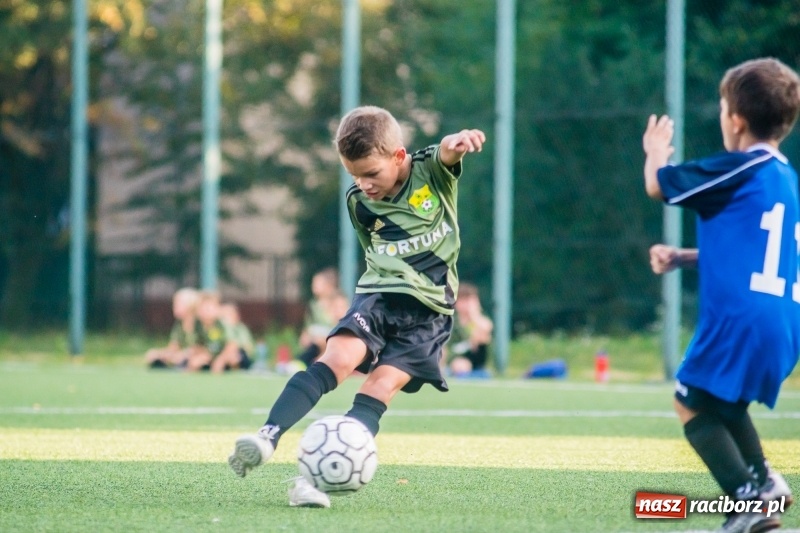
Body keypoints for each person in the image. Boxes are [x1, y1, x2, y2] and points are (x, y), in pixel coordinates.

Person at [228, 105, 485, 508]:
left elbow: (445, 155)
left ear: (399, 156)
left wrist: (456, 145)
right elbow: (375, 247)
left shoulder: (428, 172)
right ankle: (267, 437)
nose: (363, 184)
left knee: (380, 386)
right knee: (336, 359)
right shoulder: (359, 203)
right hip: (380, 295)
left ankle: (313, 481)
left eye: (371, 174)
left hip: (431, 312)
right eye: (354, 175)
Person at [642, 57, 799, 533]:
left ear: (736, 119)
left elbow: (659, 186)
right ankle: (764, 481)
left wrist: (655, 151)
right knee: (723, 401)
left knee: (690, 399)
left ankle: (747, 500)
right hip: (784, 319)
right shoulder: (785, 179)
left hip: (741, 317)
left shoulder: (743, 167)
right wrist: (685, 257)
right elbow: (755, 253)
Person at [292, 268, 345, 370]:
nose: (314, 286)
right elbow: (308, 326)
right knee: (310, 346)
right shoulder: (313, 305)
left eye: (318, 283)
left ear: (328, 286)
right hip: (316, 341)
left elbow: (339, 324)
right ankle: (302, 362)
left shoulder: (337, 302)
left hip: (329, 339)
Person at [185, 291, 250, 373]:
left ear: (217, 309)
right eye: (202, 308)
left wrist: (221, 359)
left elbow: (232, 345)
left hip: (226, 353)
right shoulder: (197, 325)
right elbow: (196, 345)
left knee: (234, 359)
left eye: (209, 308)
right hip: (211, 355)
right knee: (194, 363)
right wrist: (203, 356)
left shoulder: (222, 323)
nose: (206, 311)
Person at [445, 282, 493, 378]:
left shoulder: (480, 321)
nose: (467, 305)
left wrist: (474, 314)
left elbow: (486, 330)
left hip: (477, 366)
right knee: (460, 364)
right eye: (463, 300)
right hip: (454, 363)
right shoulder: (452, 322)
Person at [144, 287, 199, 369]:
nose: (174, 307)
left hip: (196, 357)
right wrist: (161, 354)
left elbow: (199, 347)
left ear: (190, 305)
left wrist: (182, 354)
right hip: (182, 356)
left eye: (178, 304)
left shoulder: (199, 323)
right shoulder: (179, 325)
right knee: (153, 355)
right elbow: (173, 348)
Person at [220, 302, 255, 367]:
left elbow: (248, 346)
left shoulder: (241, 329)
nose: (225, 318)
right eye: (223, 315)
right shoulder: (220, 329)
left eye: (229, 314)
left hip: (240, 355)